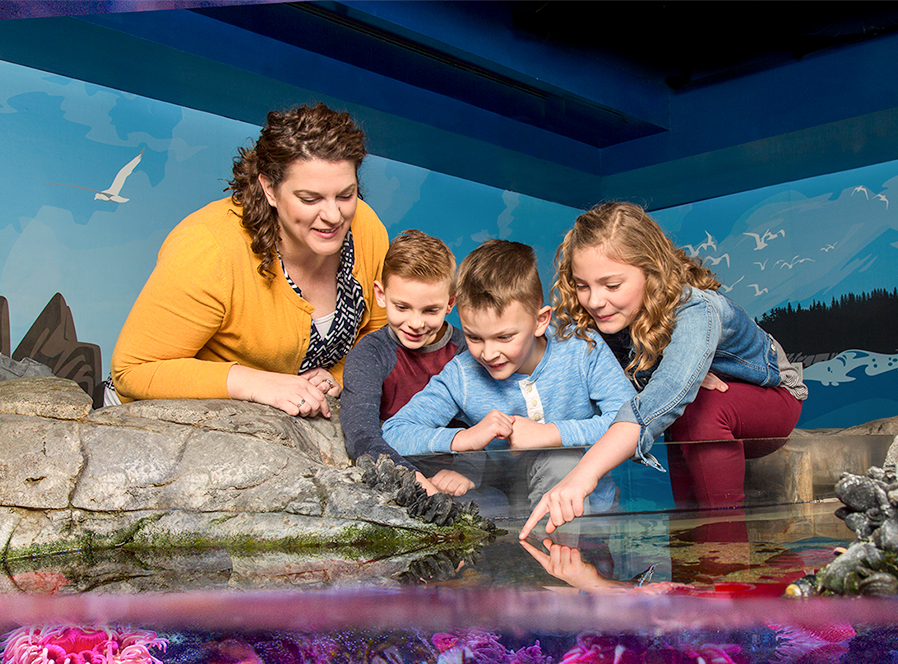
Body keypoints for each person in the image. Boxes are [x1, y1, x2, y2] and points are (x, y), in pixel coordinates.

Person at [520, 202, 806, 538]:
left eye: (612, 286)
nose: (595, 301)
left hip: (772, 401)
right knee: (684, 419)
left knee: (699, 407)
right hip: (692, 418)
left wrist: (583, 475)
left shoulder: (697, 309)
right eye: (583, 286)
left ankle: (728, 549)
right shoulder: (604, 321)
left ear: (652, 272)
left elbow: (661, 398)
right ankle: (687, 561)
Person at [111, 104, 387, 416]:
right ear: (269, 188)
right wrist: (255, 384)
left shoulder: (367, 228)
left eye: (345, 195)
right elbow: (133, 370)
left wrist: (337, 377)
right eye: (310, 199)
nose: (334, 216)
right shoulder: (209, 247)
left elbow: (378, 339)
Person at [382, 239, 636, 515]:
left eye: (504, 337)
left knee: (559, 460)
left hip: (589, 515)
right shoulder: (462, 374)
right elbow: (395, 433)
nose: (489, 353)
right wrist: (464, 439)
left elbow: (633, 420)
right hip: (509, 517)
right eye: (474, 337)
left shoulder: (582, 348)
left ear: (540, 321)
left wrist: (549, 434)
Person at [339, 230, 472, 496]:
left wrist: (469, 471)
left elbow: (488, 425)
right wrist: (411, 477)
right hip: (395, 476)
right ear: (381, 295)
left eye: (430, 310)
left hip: (460, 477)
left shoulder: (467, 351)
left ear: (450, 303)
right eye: (402, 307)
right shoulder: (370, 354)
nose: (415, 323)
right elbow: (361, 435)